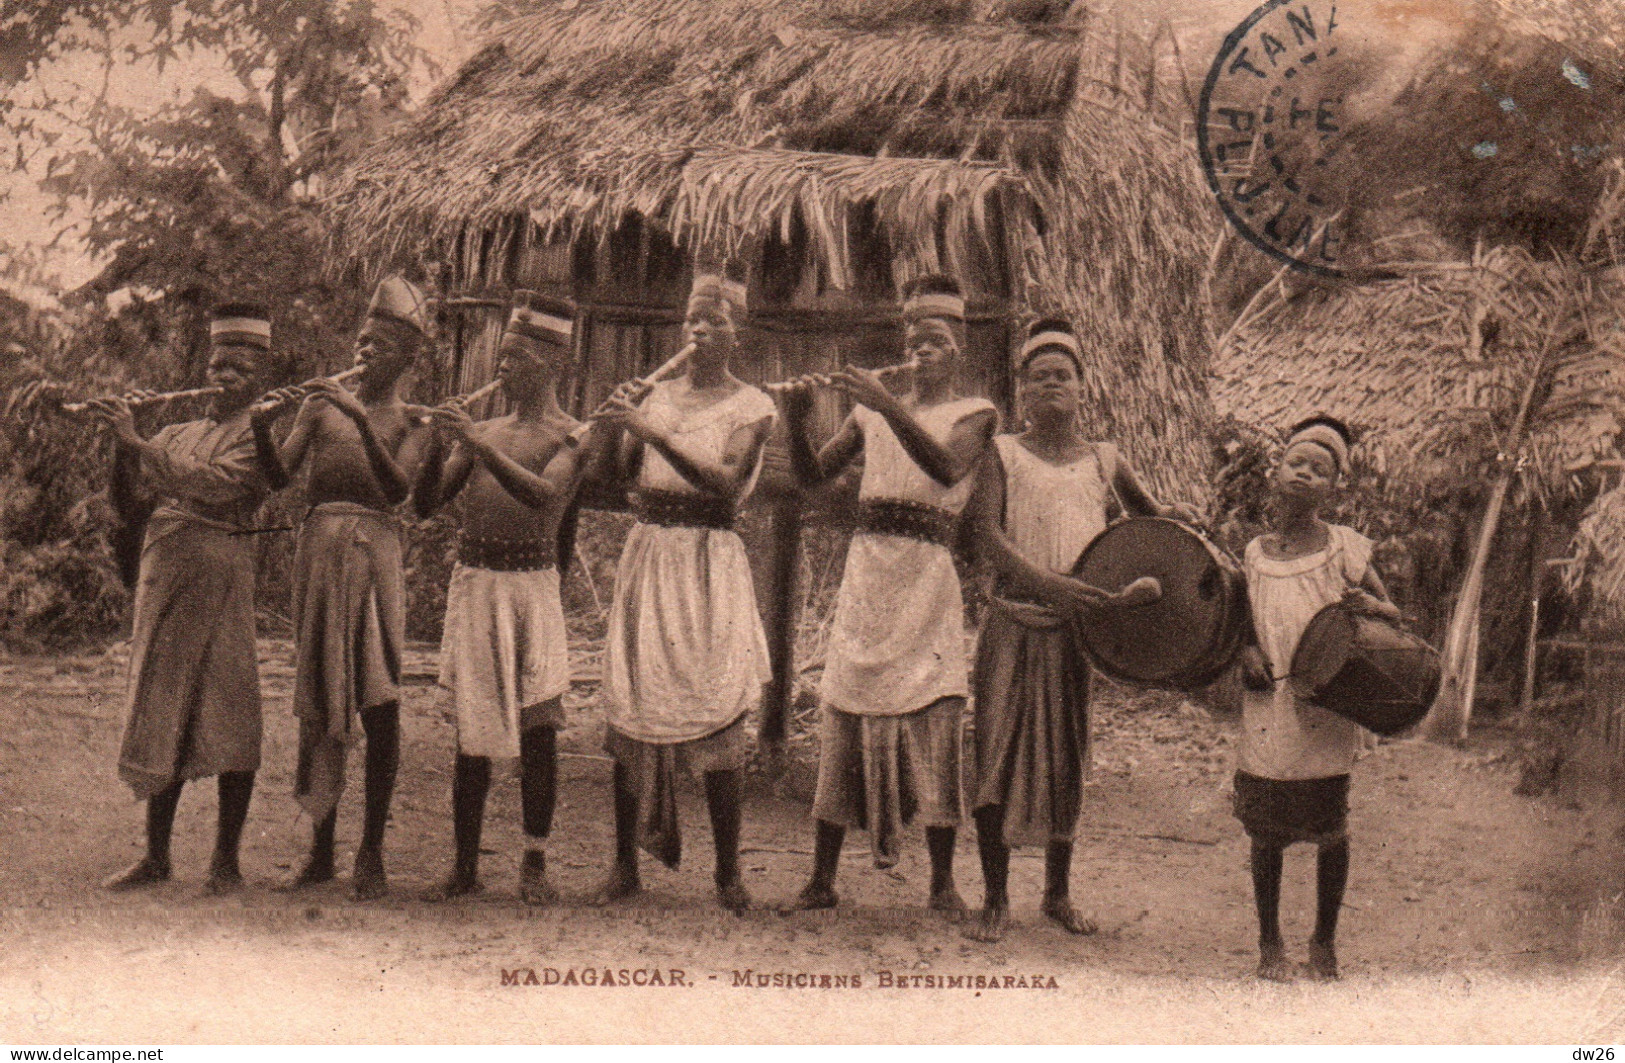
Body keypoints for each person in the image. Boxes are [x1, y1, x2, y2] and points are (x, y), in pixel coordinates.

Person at [962, 318, 1198, 943]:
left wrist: (1182, 523)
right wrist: (1048, 584)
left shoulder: (1104, 460)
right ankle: (994, 898)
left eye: (1062, 376)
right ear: (1022, 391)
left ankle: (1058, 894)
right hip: (1014, 620)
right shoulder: (1002, 453)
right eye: (1039, 378)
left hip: (1077, 632)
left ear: (1081, 386)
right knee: (996, 751)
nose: (1051, 386)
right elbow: (987, 535)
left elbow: (1150, 522)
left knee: (1067, 755)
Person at [781, 274, 996, 913]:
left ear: (958, 350)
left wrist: (886, 402)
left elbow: (947, 468)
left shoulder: (976, 413)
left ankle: (942, 883)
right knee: (844, 706)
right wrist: (796, 420)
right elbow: (811, 475)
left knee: (933, 717)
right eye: (913, 340)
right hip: (869, 574)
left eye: (934, 342)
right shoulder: (870, 412)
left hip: (927, 577)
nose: (920, 351)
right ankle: (821, 879)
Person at [589, 271, 776, 912]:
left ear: (736, 332)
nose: (699, 330)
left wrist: (650, 431)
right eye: (693, 318)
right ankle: (623, 865)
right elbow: (618, 482)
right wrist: (617, 429)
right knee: (632, 704)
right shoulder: (655, 396)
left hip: (707, 560)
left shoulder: (753, 406)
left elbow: (725, 482)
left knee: (717, 704)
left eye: (714, 321)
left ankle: (728, 874)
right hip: (651, 553)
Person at [250, 275, 434, 900]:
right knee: (321, 698)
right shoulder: (320, 405)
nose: (365, 351)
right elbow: (279, 477)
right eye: (362, 340)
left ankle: (372, 852)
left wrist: (362, 420)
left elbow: (399, 491)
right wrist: (260, 426)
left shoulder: (416, 420)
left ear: (408, 358)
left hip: (374, 553)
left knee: (379, 701)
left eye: (381, 344)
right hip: (319, 553)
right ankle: (320, 850)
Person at [92, 303, 282, 894]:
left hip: (220, 578)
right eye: (218, 365)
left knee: (230, 708)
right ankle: (157, 857)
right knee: (163, 702)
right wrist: (126, 440)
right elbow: (129, 502)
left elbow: (222, 487)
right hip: (167, 573)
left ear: (260, 377)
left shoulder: (261, 433)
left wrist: (139, 443)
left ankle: (225, 862)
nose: (224, 377)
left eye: (239, 369)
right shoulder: (178, 431)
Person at [413, 296, 587, 905]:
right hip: (479, 585)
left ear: (548, 363)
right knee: (473, 731)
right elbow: (427, 501)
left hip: (532, 589)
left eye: (514, 358)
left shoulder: (572, 435)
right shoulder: (482, 430)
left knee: (539, 727)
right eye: (501, 357)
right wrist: (441, 442)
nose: (503, 368)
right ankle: (464, 866)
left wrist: (477, 445)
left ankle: (534, 863)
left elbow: (545, 497)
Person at [1234, 415, 1400, 981]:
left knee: (1330, 828)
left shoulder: (1342, 550)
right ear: (1276, 474)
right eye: (1297, 464)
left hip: (1326, 703)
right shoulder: (1254, 553)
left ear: (1333, 488)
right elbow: (1242, 622)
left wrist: (1366, 608)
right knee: (1266, 832)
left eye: (1320, 470)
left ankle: (1324, 942)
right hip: (1268, 705)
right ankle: (1268, 943)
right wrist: (1248, 652)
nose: (1305, 474)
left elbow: (1390, 611)